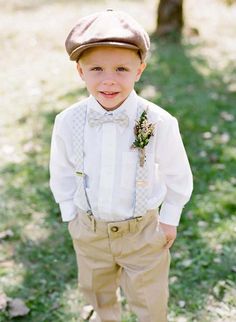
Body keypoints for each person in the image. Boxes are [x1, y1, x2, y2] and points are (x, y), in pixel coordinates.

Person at [49, 9, 193, 322]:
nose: (109, 80)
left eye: (121, 69)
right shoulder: (67, 121)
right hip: (90, 229)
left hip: (142, 230)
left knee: (149, 298)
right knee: (97, 290)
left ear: (139, 70)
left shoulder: (158, 121)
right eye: (97, 69)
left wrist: (170, 218)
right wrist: (69, 214)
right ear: (80, 71)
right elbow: (60, 169)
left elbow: (176, 173)